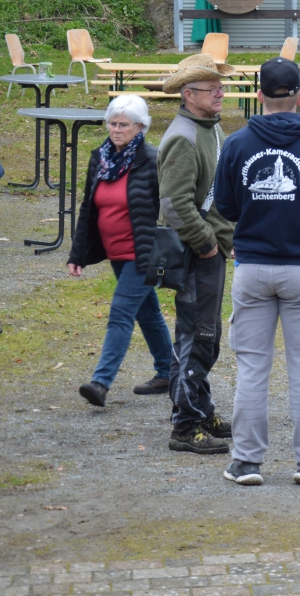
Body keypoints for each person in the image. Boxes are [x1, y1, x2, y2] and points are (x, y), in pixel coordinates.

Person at [213, 57, 300, 486]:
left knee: (252, 368)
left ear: (258, 95)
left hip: (252, 266)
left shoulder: (236, 144)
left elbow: (225, 206)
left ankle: (245, 461)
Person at [67, 95, 173, 406]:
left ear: (140, 127)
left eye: (123, 124)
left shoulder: (152, 159)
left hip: (143, 254)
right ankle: (169, 371)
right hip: (115, 252)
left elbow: (170, 206)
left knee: (121, 313)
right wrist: (78, 254)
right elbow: (88, 209)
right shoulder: (99, 160)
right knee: (148, 313)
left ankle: (100, 383)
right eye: (112, 123)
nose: (116, 129)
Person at [158, 53, 237, 455]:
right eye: (211, 88)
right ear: (189, 95)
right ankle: (186, 426)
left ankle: (200, 410)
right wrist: (207, 243)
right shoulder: (183, 137)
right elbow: (174, 205)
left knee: (206, 335)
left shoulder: (209, 127)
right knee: (196, 336)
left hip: (211, 250)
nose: (220, 93)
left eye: (220, 86)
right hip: (195, 254)